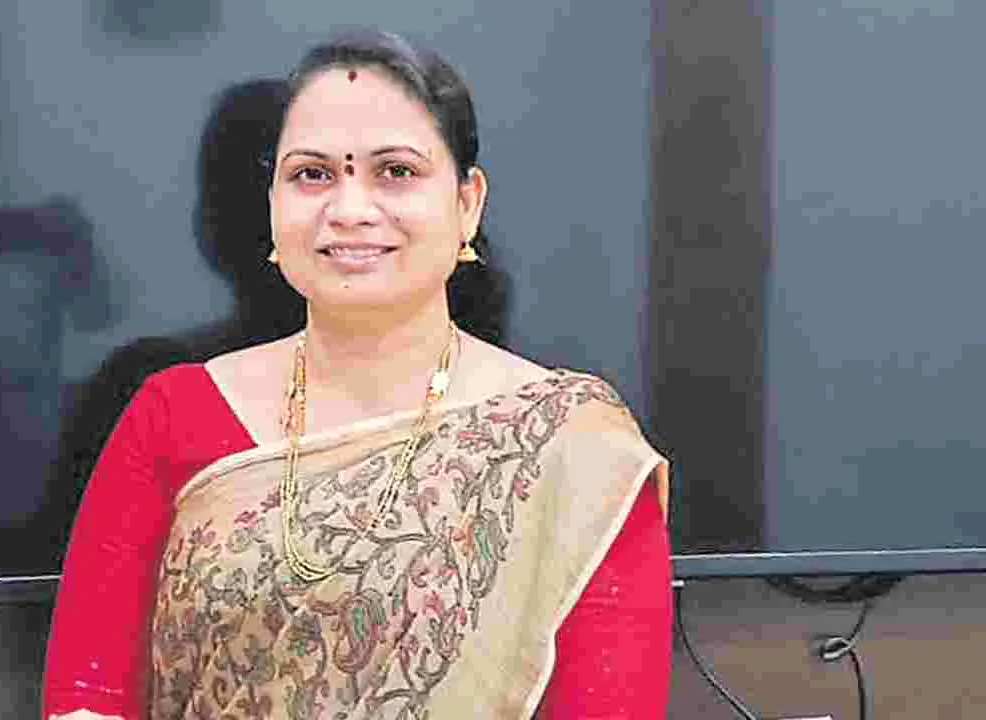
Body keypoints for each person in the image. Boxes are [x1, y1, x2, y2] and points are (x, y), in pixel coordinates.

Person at [42, 30, 672, 720]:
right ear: (273, 204)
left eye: (395, 171)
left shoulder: (570, 450)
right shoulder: (173, 413)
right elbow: (87, 697)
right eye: (312, 174)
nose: (349, 210)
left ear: (467, 203)